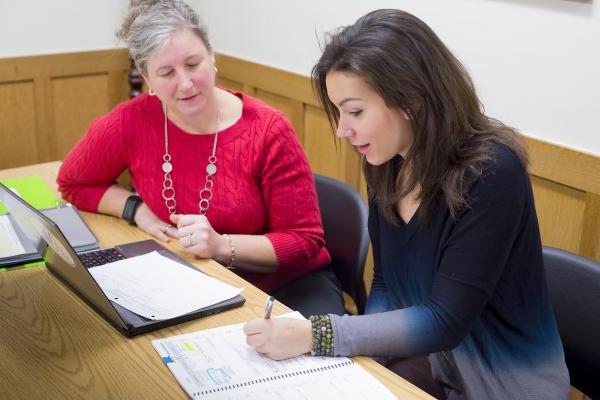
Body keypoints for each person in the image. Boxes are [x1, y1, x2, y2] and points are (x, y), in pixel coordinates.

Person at [243, 9, 569, 399]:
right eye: (340, 112)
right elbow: (387, 283)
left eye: (356, 111)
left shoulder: (492, 171)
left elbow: (445, 320)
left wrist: (321, 334)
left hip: (501, 378)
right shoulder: (386, 161)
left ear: (411, 100)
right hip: (432, 358)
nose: (342, 130)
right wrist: (365, 359)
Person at [56, 0, 344, 317]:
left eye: (193, 64)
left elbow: (304, 241)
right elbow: (73, 182)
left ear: (212, 57)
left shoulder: (268, 129)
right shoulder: (132, 121)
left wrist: (221, 246)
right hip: (193, 283)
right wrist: (135, 209)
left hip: (284, 287)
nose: (185, 83)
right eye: (166, 72)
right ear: (146, 77)